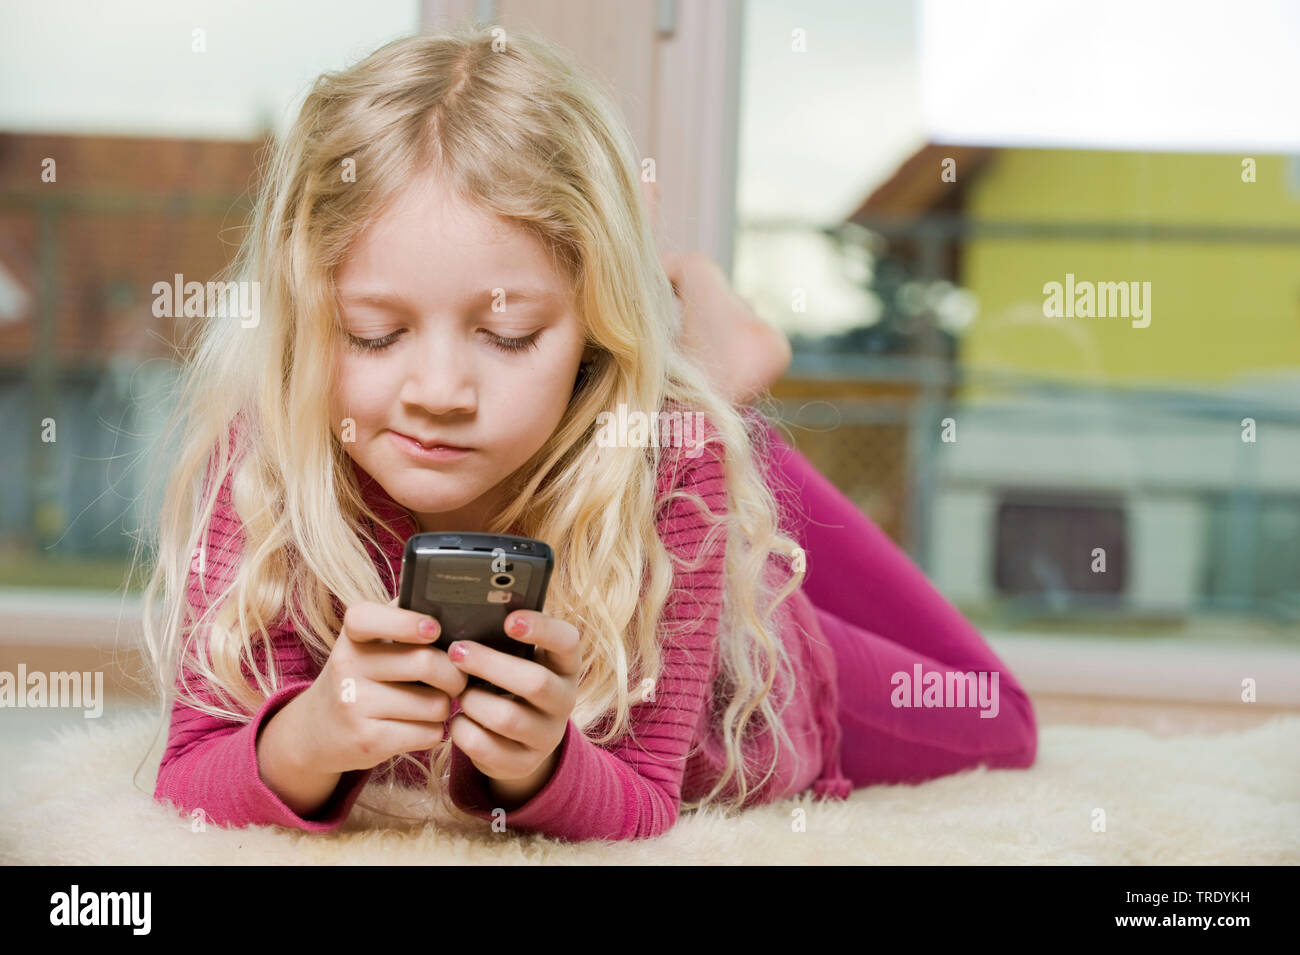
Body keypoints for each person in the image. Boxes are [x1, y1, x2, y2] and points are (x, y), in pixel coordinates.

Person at [141, 26, 1036, 842]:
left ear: (591, 330)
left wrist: (538, 765)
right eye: (375, 333)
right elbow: (189, 771)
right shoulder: (271, 453)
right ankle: (714, 378)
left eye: (508, 335)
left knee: (1001, 718)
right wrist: (309, 734)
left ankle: (727, 398)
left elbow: (645, 792)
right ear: (305, 323)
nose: (441, 392)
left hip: (752, 653)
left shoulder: (669, 467)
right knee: (692, 419)